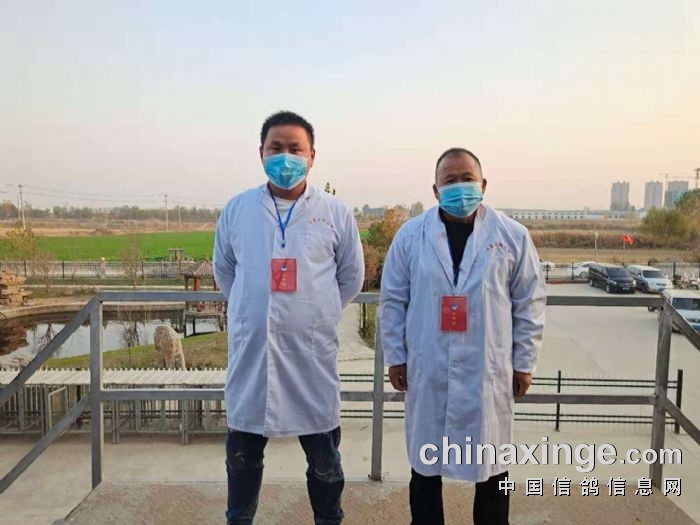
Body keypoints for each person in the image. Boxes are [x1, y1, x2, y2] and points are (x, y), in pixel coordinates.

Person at [379, 147, 546, 525]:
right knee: (425, 465)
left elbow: (530, 303)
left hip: (487, 370)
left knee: (492, 466)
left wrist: (524, 363)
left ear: (483, 184)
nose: (459, 187)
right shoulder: (411, 236)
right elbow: (393, 300)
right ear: (435, 190)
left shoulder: (512, 236)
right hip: (428, 365)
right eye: (450, 180)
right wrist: (396, 357)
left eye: (467, 179)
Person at [213, 111, 365, 525]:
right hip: (254, 355)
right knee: (242, 457)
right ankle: (239, 520)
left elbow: (351, 277)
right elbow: (225, 271)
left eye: (295, 149)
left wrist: (315, 312)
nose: (286, 157)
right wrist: (253, 307)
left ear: (312, 156)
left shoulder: (335, 212)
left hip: (310, 357)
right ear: (261, 154)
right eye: (276, 148)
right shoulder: (238, 209)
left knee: (325, 461)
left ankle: (328, 519)